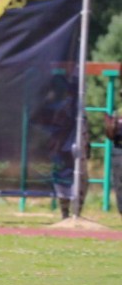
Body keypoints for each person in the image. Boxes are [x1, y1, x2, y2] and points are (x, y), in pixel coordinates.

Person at [40, 75, 89, 219]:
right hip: (66, 148)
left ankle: (70, 213)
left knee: (73, 179)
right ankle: (69, 213)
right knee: (69, 179)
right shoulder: (66, 107)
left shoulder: (75, 108)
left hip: (72, 148)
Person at [104, 88, 122, 219]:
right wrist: (109, 126)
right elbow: (110, 136)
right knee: (119, 185)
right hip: (118, 151)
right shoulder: (117, 114)